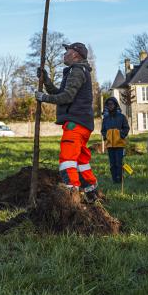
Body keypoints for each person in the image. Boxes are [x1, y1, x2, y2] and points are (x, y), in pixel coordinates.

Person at [35, 42, 99, 202]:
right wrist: (47, 81)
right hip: (83, 123)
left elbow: (67, 97)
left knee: (68, 160)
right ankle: (91, 192)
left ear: (76, 55)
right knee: (81, 160)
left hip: (75, 123)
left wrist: (44, 98)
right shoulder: (75, 71)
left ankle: (71, 197)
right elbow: (61, 93)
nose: (64, 54)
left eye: (67, 51)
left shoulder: (77, 71)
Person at [101, 96, 129, 184]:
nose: (110, 106)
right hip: (110, 145)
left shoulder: (121, 117)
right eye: (108, 104)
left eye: (112, 104)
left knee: (119, 163)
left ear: (115, 105)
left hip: (119, 144)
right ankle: (114, 180)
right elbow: (103, 130)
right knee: (112, 164)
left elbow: (126, 128)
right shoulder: (105, 118)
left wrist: (121, 135)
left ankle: (119, 180)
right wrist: (106, 136)